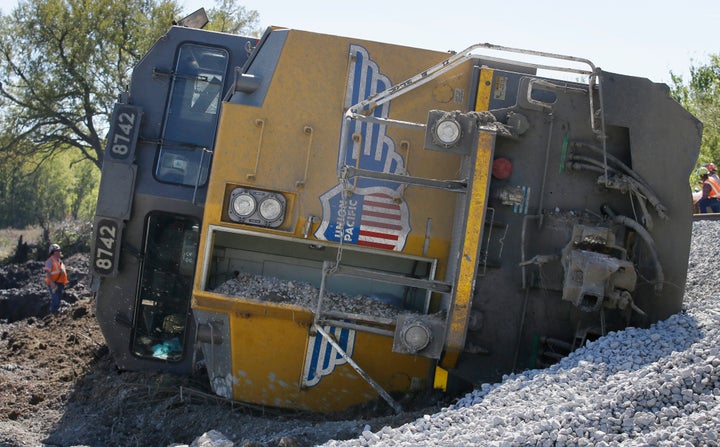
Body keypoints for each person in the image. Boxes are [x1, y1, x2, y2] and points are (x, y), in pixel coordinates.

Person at [44, 243, 69, 314]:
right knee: (55, 299)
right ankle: (53, 314)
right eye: (57, 251)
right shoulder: (50, 261)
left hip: (60, 283)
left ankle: (56, 313)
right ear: (53, 252)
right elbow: (48, 272)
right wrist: (52, 283)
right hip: (54, 283)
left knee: (59, 298)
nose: (59, 252)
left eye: (59, 250)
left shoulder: (59, 261)